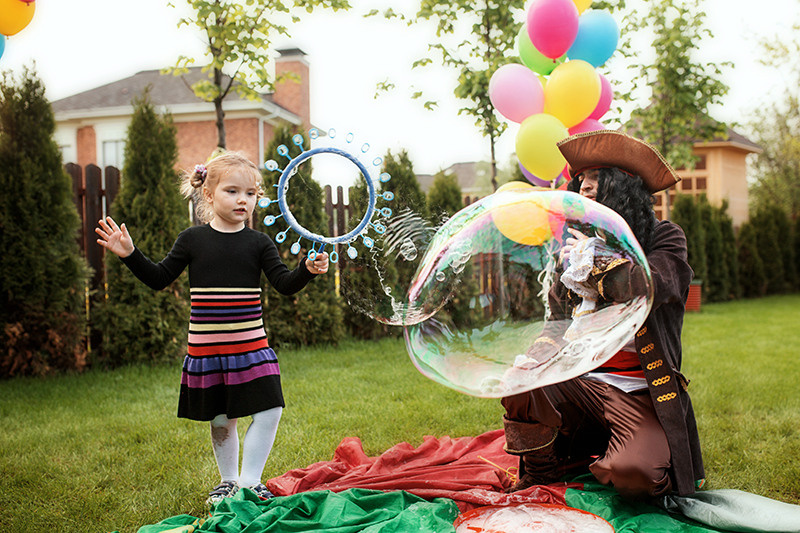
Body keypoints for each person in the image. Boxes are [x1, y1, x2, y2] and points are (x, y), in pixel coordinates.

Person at [96, 151, 329, 504]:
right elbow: (159, 278)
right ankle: (228, 480)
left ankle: (250, 481)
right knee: (222, 419)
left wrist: (306, 271)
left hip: (252, 347)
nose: (243, 200)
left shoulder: (259, 243)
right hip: (208, 351)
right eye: (232, 191)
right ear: (209, 194)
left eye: (250, 194)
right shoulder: (192, 240)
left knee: (270, 409)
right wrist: (130, 254)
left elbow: (283, 283)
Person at [501, 130, 704, 499]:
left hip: (637, 391)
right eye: (582, 183)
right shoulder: (575, 250)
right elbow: (557, 323)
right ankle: (546, 470)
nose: (584, 191)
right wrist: (533, 361)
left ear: (622, 192)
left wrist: (596, 262)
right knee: (523, 379)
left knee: (635, 476)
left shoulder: (665, 238)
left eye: (596, 183)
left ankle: (621, 453)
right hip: (580, 382)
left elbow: (649, 286)